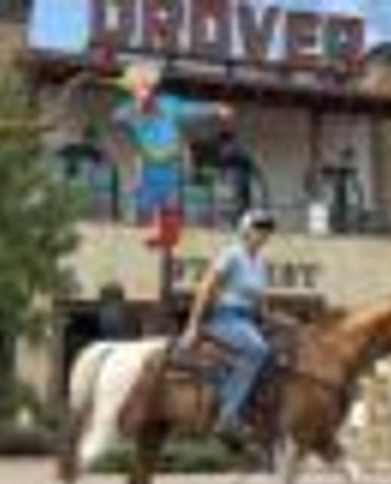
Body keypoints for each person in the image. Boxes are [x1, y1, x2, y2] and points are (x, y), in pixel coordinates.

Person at [180, 208, 276, 443]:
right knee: (258, 350)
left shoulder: (261, 261)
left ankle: (255, 411)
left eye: (267, 230)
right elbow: (206, 288)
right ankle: (227, 415)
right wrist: (192, 325)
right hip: (224, 317)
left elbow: (260, 298)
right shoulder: (231, 254)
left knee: (282, 347)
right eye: (258, 228)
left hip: (248, 321)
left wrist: (271, 318)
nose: (263, 234)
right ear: (245, 230)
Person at [113, 61, 232, 225]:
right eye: (138, 89)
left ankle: (165, 227)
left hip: (170, 164)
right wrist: (136, 107)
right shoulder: (131, 110)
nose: (143, 92)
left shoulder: (169, 105)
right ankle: (144, 223)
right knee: (145, 207)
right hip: (148, 164)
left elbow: (193, 110)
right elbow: (117, 117)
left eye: (146, 87)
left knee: (169, 205)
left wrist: (216, 109)